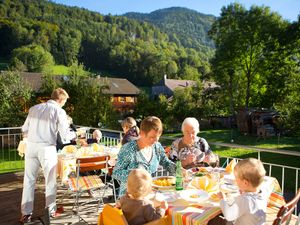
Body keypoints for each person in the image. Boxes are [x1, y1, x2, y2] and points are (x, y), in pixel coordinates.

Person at [20, 88, 76, 224]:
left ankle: (26, 214)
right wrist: (76, 134)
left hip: (31, 147)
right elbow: (65, 136)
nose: (64, 105)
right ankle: (50, 211)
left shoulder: (34, 108)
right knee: (50, 181)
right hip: (47, 148)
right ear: (61, 100)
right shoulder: (59, 111)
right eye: (64, 102)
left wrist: (33, 137)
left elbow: (24, 129)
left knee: (28, 181)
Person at [112, 116, 175, 196]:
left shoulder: (157, 146)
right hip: (130, 198)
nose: (155, 141)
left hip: (151, 193)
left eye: (157, 137)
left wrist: (179, 170)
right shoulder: (128, 149)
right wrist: (136, 175)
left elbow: (165, 162)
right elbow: (116, 172)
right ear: (141, 133)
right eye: (152, 137)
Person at [218, 158, 267, 225]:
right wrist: (244, 192)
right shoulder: (263, 193)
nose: (235, 182)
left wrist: (222, 199)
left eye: (236, 179)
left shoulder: (245, 200)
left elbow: (229, 215)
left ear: (245, 183)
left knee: (216, 221)